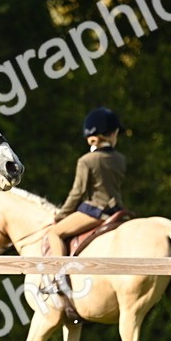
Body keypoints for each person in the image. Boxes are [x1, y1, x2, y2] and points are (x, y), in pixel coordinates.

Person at [45, 107, 127, 318]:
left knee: (54, 233)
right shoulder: (120, 159)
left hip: (94, 212)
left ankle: (58, 279)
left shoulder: (86, 161)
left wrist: (61, 215)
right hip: (116, 210)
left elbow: (77, 193)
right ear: (112, 134)